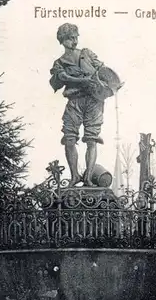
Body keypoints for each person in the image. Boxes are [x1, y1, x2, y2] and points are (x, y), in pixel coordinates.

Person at [50, 23, 117, 187]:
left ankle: (87, 177)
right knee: (69, 138)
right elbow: (61, 78)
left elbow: (103, 70)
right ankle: (74, 176)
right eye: (70, 38)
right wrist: (83, 80)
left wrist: (108, 85)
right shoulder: (59, 63)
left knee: (92, 139)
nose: (74, 40)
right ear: (62, 40)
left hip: (94, 101)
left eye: (76, 37)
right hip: (75, 101)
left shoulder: (87, 54)